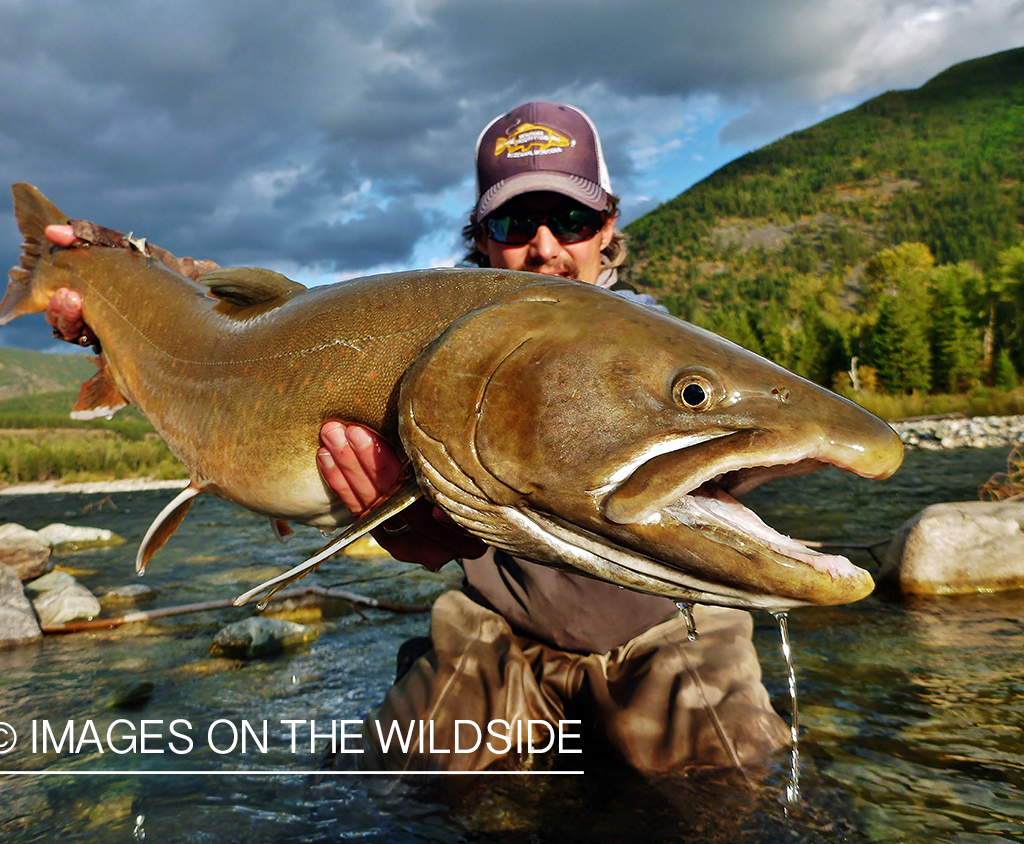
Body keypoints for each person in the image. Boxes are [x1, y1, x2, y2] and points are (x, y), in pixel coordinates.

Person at [44, 102, 790, 773]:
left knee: (730, 795)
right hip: (500, 628)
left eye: (568, 221)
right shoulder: (425, 332)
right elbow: (225, 334)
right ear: (480, 238)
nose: (542, 247)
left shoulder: (680, 367)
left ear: (608, 232)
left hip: (667, 631)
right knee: (387, 790)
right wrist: (121, 285)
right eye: (511, 223)